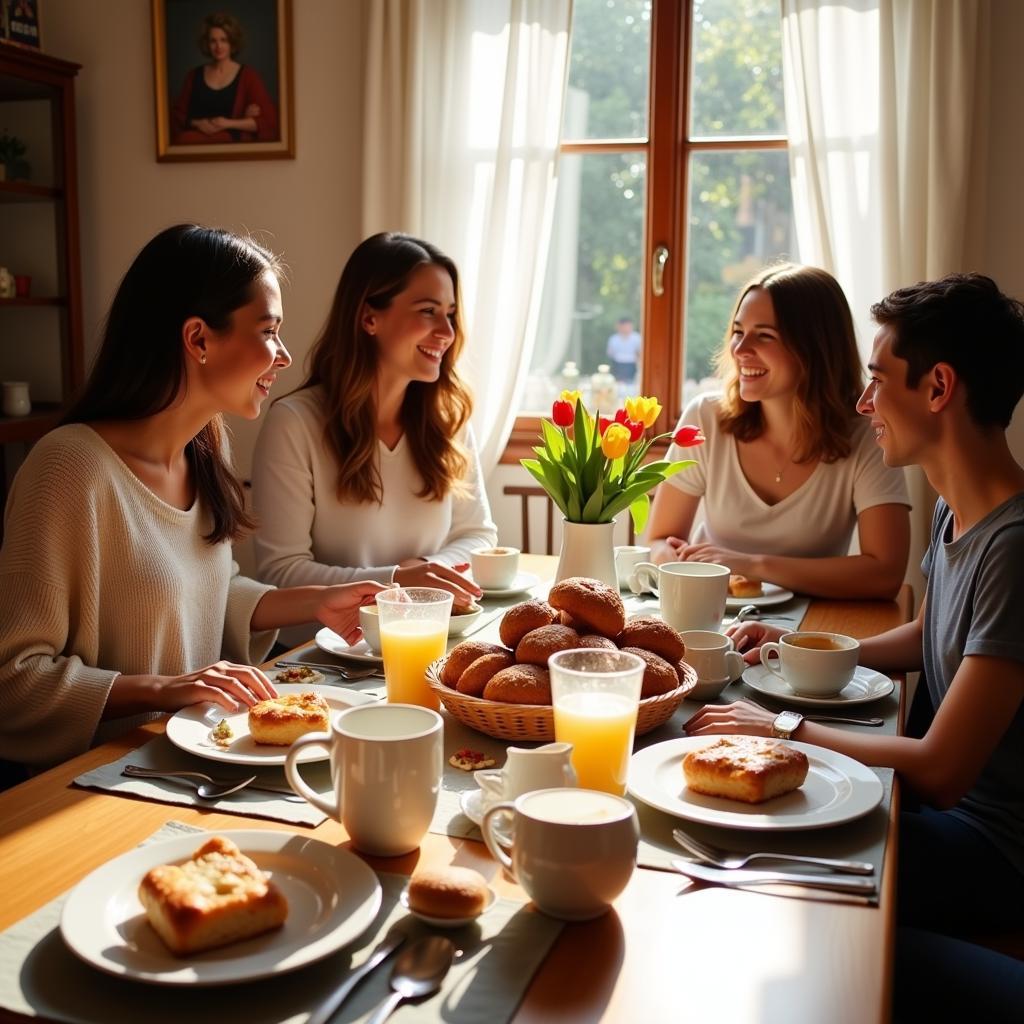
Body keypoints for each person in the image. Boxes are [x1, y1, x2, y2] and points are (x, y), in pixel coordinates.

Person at [685, 273, 1024, 1020]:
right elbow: (931, 639)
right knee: (740, 843)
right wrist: (806, 648)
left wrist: (780, 727)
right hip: (951, 824)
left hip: (995, 853)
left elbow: (938, 770)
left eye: (877, 381)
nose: (864, 402)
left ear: (939, 388)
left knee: (753, 871)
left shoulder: (1013, 548)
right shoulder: (964, 516)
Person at [0, 224, 385, 771]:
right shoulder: (69, 469)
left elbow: (203, 590)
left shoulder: (201, 447)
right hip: (103, 777)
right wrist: (165, 689)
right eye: (269, 331)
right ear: (199, 338)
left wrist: (319, 602)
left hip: (198, 758)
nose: (284, 355)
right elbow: (14, 679)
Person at [251, 232, 496, 647]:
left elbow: (479, 535)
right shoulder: (294, 423)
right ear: (369, 318)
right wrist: (397, 580)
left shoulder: (448, 420)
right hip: (319, 659)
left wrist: (425, 573)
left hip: (425, 643)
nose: (447, 332)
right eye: (428, 311)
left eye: (450, 314)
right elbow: (281, 572)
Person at [647, 263, 910, 599]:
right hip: (713, 615)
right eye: (739, 332)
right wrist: (670, 560)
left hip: (814, 625)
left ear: (814, 349)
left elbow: (885, 573)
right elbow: (659, 538)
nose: (740, 350)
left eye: (765, 335)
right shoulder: (706, 418)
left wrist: (753, 565)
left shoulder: (868, 436)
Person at [170, 12, 278, 145]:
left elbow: (268, 122)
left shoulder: (249, 76)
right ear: (206, 44)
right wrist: (198, 123)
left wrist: (227, 123)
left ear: (232, 42)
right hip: (194, 146)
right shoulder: (193, 76)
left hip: (230, 149)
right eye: (213, 41)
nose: (218, 47)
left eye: (223, 40)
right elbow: (177, 116)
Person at [606, 316, 641, 382]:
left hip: (632, 365)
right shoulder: (614, 339)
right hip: (618, 365)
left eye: (628, 326)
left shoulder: (637, 338)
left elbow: (639, 353)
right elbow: (610, 353)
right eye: (624, 326)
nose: (626, 328)